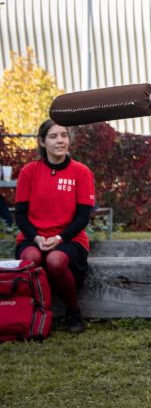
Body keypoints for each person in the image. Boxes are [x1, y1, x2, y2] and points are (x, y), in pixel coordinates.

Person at [14, 119, 95, 334]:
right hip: (33, 237)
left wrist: (59, 238)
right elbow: (20, 216)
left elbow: (82, 217)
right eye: (53, 136)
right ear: (42, 142)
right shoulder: (29, 171)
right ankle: (35, 313)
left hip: (70, 238)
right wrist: (37, 238)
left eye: (64, 135)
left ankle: (72, 311)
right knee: (32, 259)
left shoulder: (81, 172)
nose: (60, 140)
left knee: (55, 260)